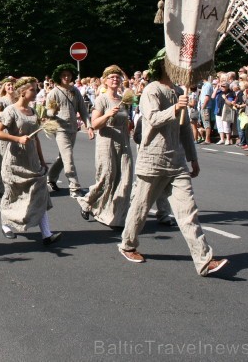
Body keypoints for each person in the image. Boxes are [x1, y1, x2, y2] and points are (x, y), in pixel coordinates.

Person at [118, 49, 228, 277]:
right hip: (153, 160)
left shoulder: (179, 91)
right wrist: (176, 107)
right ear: (164, 67)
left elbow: (185, 128)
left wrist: (193, 158)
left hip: (177, 163)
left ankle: (204, 260)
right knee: (140, 208)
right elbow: (154, 118)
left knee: (188, 212)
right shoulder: (151, 90)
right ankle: (128, 244)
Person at [0, 77, 61, 246]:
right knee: (12, 193)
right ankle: (6, 225)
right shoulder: (10, 110)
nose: (36, 93)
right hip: (15, 160)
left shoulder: (33, 111)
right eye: (33, 90)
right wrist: (17, 138)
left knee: (40, 193)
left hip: (32, 160)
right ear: (23, 91)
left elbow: (36, 139)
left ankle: (46, 234)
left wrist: (42, 161)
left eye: (37, 90)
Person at [77, 65, 133, 228]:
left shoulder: (124, 99)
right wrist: (108, 115)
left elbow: (126, 122)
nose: (115, 79)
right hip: (106, 142)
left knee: (125, 179)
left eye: (118, 77)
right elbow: (94, 124)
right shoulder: (102, 99)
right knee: (106, 177)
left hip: (123, 142)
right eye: (112, 77)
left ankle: (116, 216)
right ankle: (87, 202)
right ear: (106, 81)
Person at [45, 63, 94, 198]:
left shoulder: (75, 91)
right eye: (64, 75)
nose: (66, 77)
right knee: (69, 159)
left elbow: (83, 110)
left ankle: (51, 177)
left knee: (63, 157)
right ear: (59, 77)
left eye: (68, 75)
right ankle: (74, 188)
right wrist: (52, 111)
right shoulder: (54, 92)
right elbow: (48, 112)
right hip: (60, 129)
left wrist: (89, 126)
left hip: (73, 128)